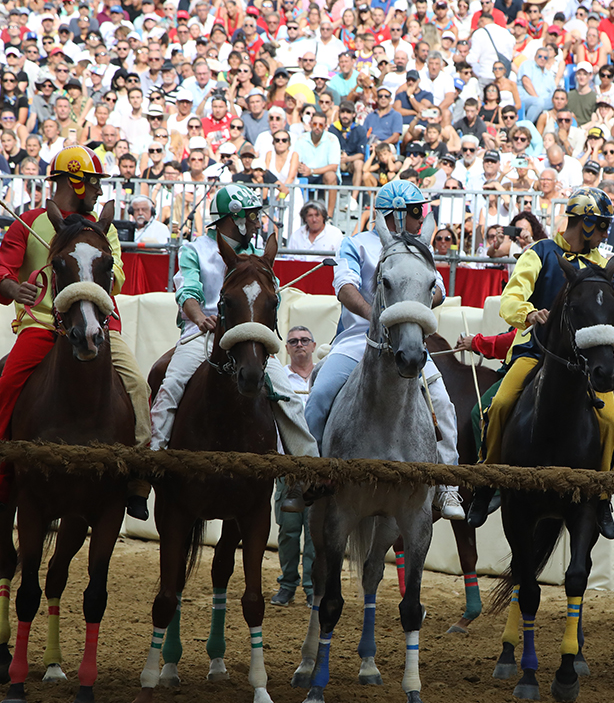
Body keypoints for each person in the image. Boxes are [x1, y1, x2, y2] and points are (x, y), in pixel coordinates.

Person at [0, 146, 152, 521]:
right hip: (40, 323)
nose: (99, 192)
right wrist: (13, 289)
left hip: (99, 324)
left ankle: (136, 479)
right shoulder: (28, 222)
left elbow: (115, 277)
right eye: (94, 183)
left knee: (138, 385)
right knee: (6, 385)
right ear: (75, 180)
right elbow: (1, 271)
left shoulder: (106, 228)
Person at [465, 187, 614, 539]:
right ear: (583, 223)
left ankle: (601, 496)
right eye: (600, 225)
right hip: (535, 350)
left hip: (585, 360)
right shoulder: (538, 253)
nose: (604, 233)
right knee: (501, 403)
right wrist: (528, 312)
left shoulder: (601, 263)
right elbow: (510, 299)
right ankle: (487, 483)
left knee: (611, 419)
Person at [303, 180, 465, 520]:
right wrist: (377, 317)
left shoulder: (420, 248)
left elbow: (439, 291)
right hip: (358, 340)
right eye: (417, 211)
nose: (422, 218)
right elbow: (344, 287)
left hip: (408, 341)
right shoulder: (356, 243)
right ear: (396, 215)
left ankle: (447, 485)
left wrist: (413, 310)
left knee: (443, 404)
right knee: (320, 394)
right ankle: (306, 477)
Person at [148, 184, 317, 504]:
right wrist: (199, 317)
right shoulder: (193, 249)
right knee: (170, 384)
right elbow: (187, 292)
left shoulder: (257, 258)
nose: (257, 223)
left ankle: (304, 474)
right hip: (203, 334)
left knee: (288, 396)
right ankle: (152, 464)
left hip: (249, 339)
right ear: (234, 218)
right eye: (252, 217)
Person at [271, 325, 318, 608]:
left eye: (304, 340)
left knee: (314, 532)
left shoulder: (326, 376)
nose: (299, 344)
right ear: (286, 348)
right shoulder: (277, 378)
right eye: (293, 341)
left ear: (313, 346)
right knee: (288, 530)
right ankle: (288, 584)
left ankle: (311, 586)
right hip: (286, 465)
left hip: (317, 466)